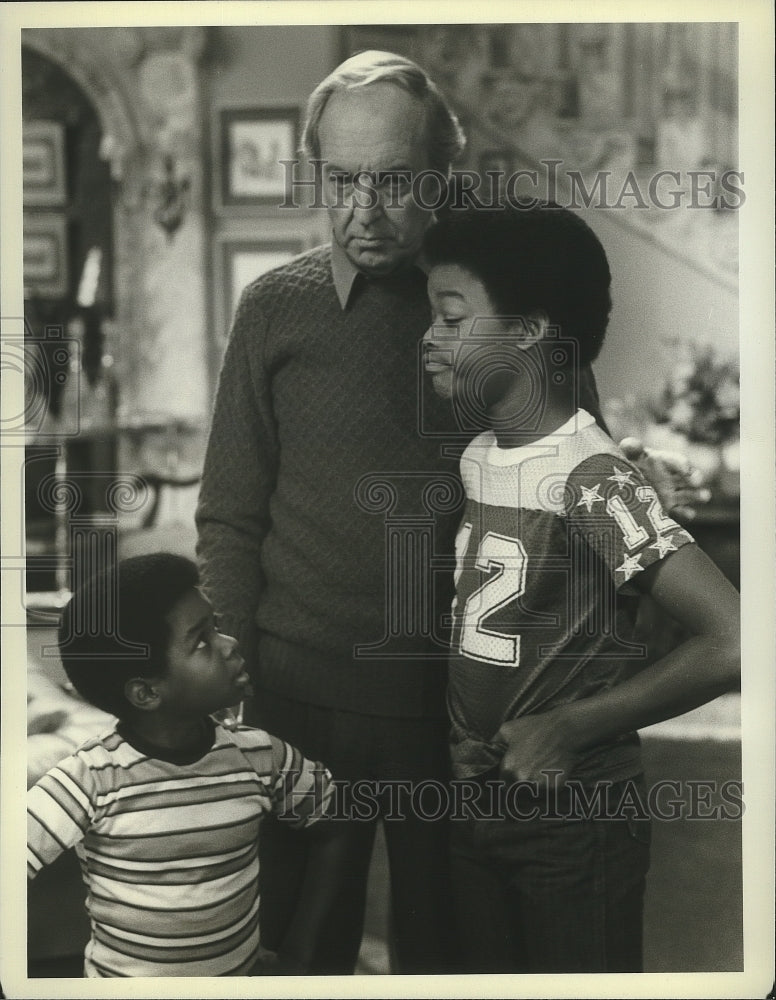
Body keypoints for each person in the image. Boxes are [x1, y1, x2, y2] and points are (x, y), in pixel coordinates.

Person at [195, 50, 703, 974]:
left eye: (394, 182)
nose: (364, 209)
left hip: (451, 712)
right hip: (295, 698)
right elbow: (229, 514)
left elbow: (565, 449)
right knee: (292, 955)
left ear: (444, 178)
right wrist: (230, 686)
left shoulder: (499, 303)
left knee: (453, 960)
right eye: (341, 180)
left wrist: (637, 466)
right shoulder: (273, 309)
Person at [421, 202, 740, 973]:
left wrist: (570, 727)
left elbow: (736, 641)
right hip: (479, 802)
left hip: (575, 823)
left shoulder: (592, 478)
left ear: (529, 332)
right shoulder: (478, 456)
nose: (429, 336)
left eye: (453, 316)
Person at [27, 553, 336, 978]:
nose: (229, 644)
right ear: (146, 693)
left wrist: (302, 949)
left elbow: (336, 823)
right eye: (202, 641)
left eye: (217, 627)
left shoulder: (259, 756)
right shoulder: (89, 779)